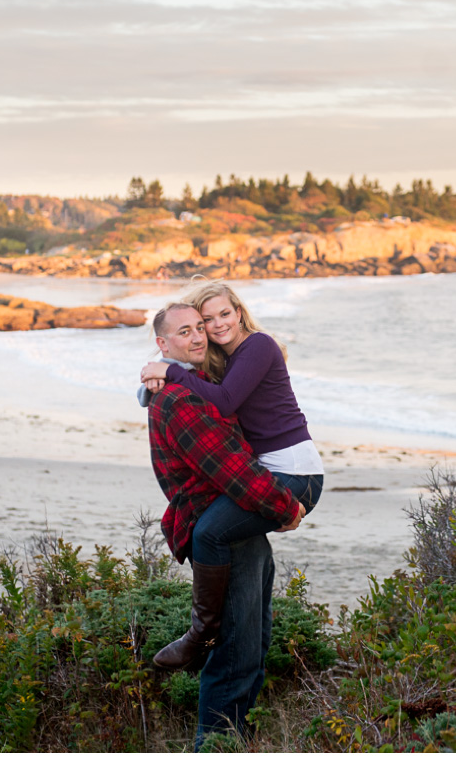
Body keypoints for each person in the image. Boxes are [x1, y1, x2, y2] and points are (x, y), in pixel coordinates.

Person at [140, 282, 324, 670]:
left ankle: (200, 634)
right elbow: (181, 366)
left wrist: (168, 370)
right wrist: (153, 381)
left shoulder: (257, 346)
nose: (216, 325)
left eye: (225, 314)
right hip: (264, 472)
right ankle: (225, 647)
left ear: (239, 312)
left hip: (295, 473)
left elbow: (222, 400)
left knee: (209, 532)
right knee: (230, 549)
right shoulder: (217, 358)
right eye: (206, 321)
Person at [145, 302, 305, 750]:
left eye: (201, 327)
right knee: (233, 654)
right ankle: (213, 747)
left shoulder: (196, 384)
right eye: (184, 332)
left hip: (236, 524)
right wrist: (284, 507)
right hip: (221, 526)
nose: (198, 337)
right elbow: (231, 468)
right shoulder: (180, 400)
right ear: (163, 344)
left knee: (254, 646)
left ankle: (242, 742)